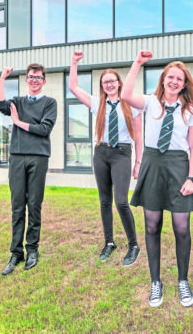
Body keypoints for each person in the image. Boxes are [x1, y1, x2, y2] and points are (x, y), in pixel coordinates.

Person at [122, 50, 193, 308]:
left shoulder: (190, 109)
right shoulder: (150, 102)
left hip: (178, 166)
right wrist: (137, 63)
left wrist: (192, 177)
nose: (174, 81)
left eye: (179, 79)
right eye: (171, 77)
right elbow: (125, 95)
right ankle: (155, 282)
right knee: (151, 225)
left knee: (181, 226)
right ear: (163, 79)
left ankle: (182, 280)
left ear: (184, 83)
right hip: (153, 164)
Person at [68, 50, 143, 266]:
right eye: (105, 82)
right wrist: (74, 63)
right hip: (101, 153)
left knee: (121, 201)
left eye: (112, 81)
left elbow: (138, 136)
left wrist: (138, 162)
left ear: (119, 83)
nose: (109, 84)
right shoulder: (96, 103)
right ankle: (109, 243)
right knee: (104, 201)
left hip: (122, 153)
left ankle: (133, 245)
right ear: (102, 86)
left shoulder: (130, 104)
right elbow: (73, 87)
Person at [0, 63, 57, 275]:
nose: (34, 80)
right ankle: (16, 252)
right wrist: (3, 78)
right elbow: (0, 104)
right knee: (17, 205)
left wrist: (17, 122)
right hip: (17, 157)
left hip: (38, 158)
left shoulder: (50, 103)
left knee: (34, 204)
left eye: (38, 77)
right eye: (31, 77)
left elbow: (44, 129)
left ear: (43, 81)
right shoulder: (18, 101)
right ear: (26, 79)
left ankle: (32, 249)